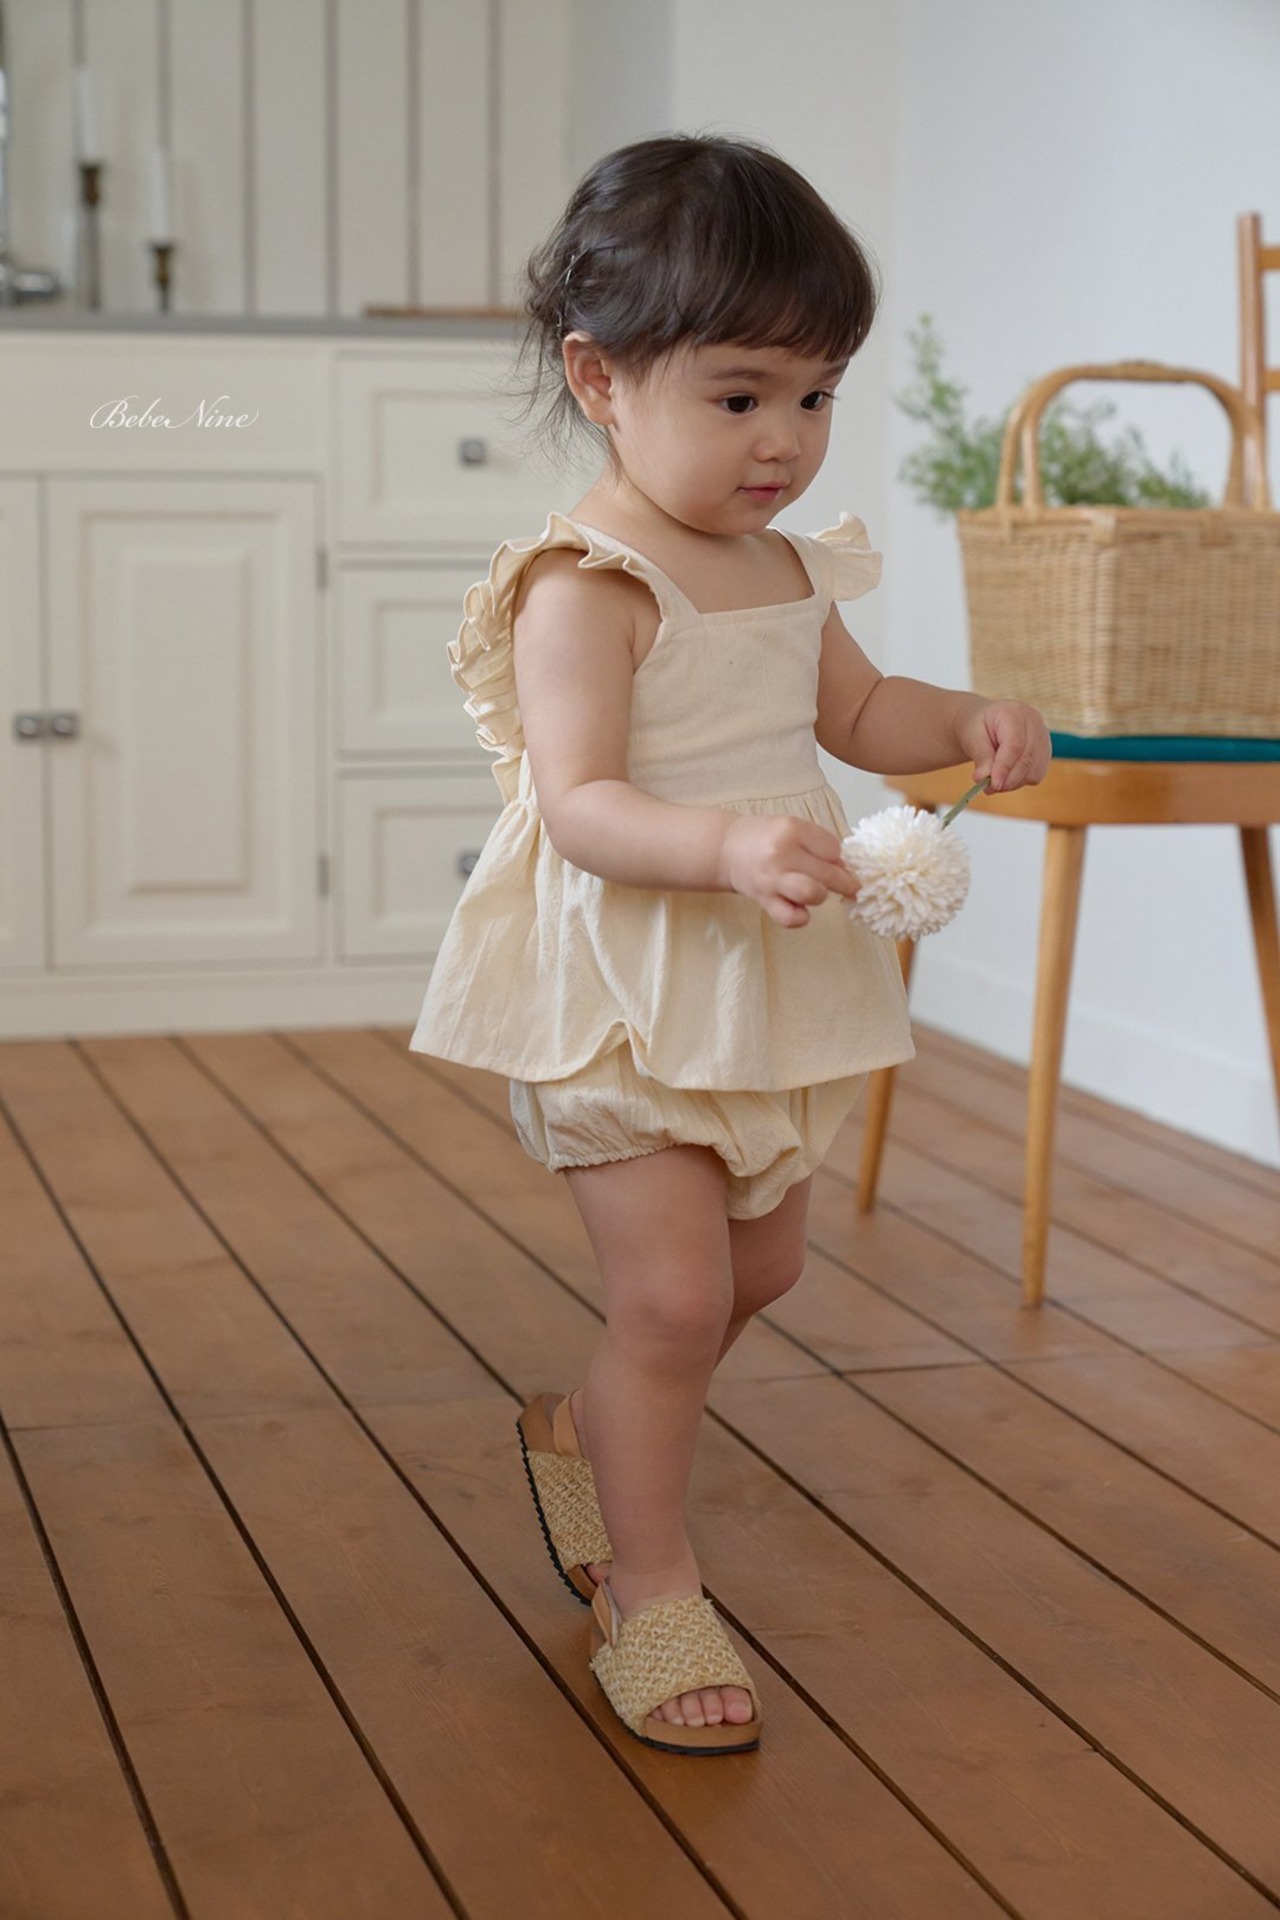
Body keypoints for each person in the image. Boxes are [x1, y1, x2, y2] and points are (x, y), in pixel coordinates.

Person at [409, 133, 1051, 1755]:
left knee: (761, 1268)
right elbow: (578, 806)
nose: (786, 441)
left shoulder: (779, 567)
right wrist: (723, 846)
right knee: (680, 1299)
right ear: (601, 379)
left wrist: (960, 720)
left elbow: (856, 710)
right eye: (742, 395)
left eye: (816, 396)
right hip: (625, 981)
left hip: (757, 975)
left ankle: (588, 1425)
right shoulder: (585, 586)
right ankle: (650, 1583)